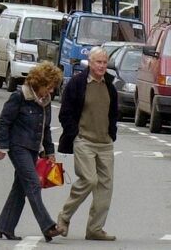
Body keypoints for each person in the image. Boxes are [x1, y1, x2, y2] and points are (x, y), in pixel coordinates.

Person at [0, 60, 63, 242]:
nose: (51, 91)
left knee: (20, 188)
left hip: (33, 149)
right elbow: (4, 122)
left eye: (53, 87)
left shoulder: (45, 101)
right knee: (33, 183)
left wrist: (49, 152)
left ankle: (4, 227)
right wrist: (1, 147)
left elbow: (46, 128)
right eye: (49, 86)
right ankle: (48, 226)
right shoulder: (19, 96)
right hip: (17, 147)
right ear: (39, 82)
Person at [55, 46, 118, 242]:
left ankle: (95, 229)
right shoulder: (77, 84)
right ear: (89, 63)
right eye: (98, 62)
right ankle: (64, 217)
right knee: (89, 180)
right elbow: (65, 113)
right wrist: (75, 135)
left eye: (104, 62)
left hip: (105, 143)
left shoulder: (109, 85)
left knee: (105, 187)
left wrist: (111, 133)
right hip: (84, 141)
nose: (101, 66)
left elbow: (113, 113)